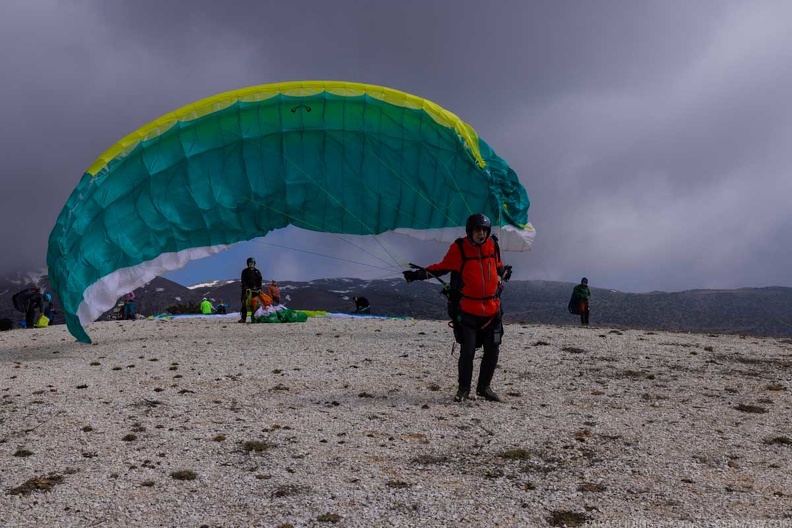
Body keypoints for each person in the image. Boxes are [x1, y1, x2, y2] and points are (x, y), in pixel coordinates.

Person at [403, 213, 511, 403]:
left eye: (484, 230)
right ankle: (463, 389)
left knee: (493, 350)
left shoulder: (493, 245)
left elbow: (498, 265)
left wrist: (504, 271)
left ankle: (484, 388)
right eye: (478, 230)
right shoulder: (459, 248)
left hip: (493, 310)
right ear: (470, 231)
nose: (481, 234)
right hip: (469, 311)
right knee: (467, 352)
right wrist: (417, 275)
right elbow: (441, 268)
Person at [239, 257, 263, 323]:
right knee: (245, 303)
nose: (251, 264)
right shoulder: (244, 271)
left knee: (255, 304)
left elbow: (259, 281)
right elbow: (243, 280)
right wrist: (246, 287)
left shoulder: (257, 272)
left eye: (252, 263)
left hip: (255, 291)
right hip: (246, 291)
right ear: (247, 264)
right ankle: (243, 318)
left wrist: (259, 288)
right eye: (250, 263)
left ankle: (254, 318)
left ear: (254, 264)